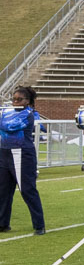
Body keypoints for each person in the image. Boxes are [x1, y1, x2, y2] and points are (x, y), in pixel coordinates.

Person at [0, 86, 46, 235]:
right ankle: (3, 223)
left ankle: (39, 225)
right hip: (4, 153)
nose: (15, 102)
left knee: (27, 190)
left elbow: (10, 127)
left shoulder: (28, 114)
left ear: (27, 101)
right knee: (3, 190)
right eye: (14, 99)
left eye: (19, 100)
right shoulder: (6, 112)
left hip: (22, 153)